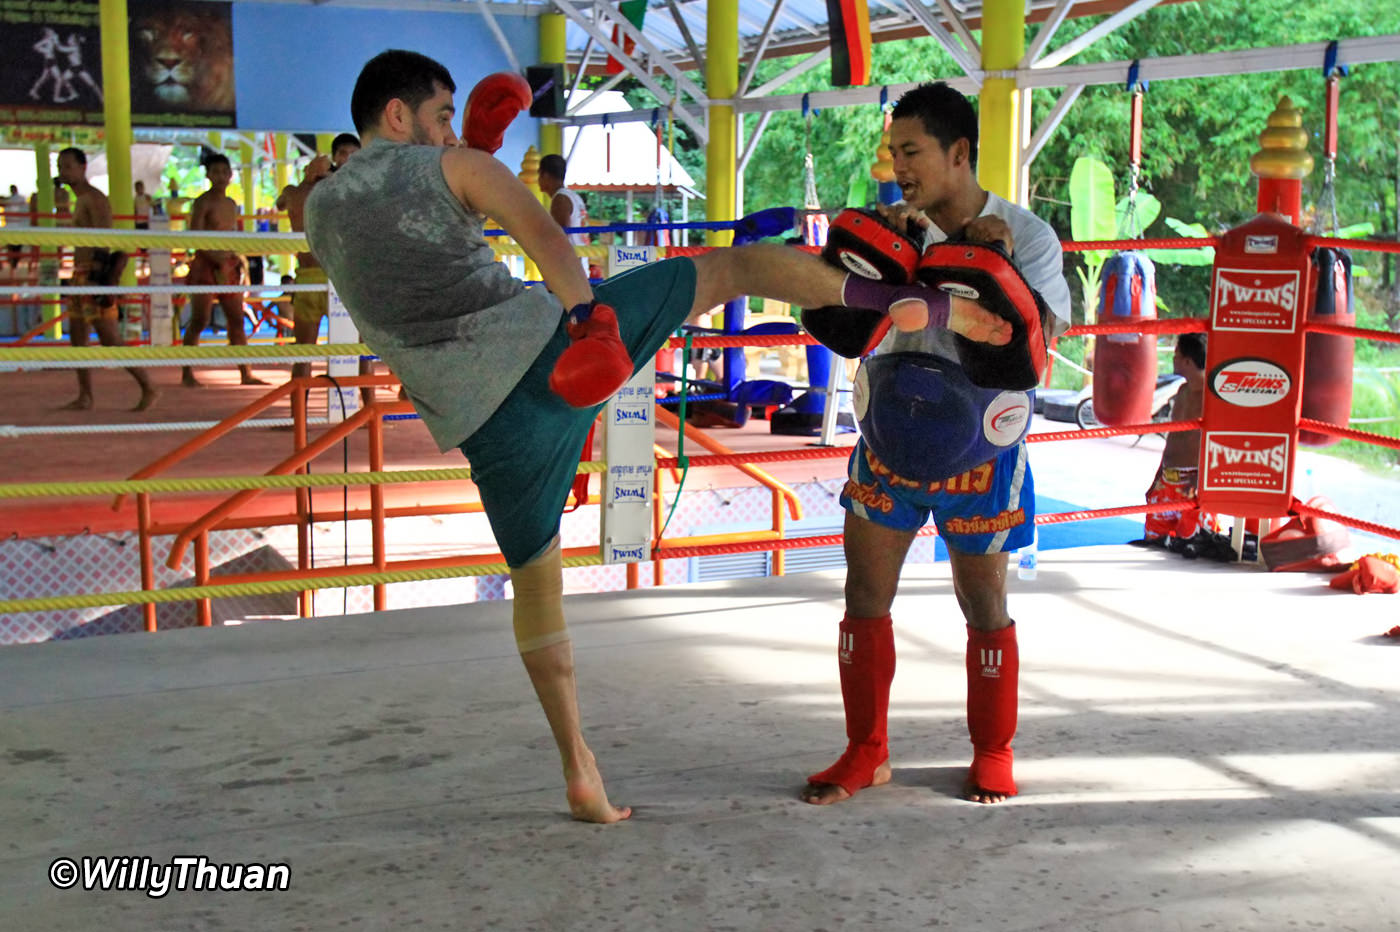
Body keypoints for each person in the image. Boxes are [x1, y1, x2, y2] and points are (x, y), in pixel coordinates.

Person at [304, 51, 1012, 824]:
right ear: (400, 116)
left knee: (537, 590)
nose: (448, 131)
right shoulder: (457, 165)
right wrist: (588, 317)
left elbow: (406, 278)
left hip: (483, 428)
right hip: (550, 356)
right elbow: (542, 231)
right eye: (440, 116)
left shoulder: (317, 209)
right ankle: (901, 299)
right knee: (728, 270)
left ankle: (581, 771)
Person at [800, 82, 1072, 808]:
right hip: (888, 435)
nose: (898, 165)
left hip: (982, 447)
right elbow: (831, 316)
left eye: (911, 151)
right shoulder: (897, 229)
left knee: (982, 600)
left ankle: (993, 751)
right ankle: (866, 752)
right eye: (893, 151)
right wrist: (859, 263)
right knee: (863, 592)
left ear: (958, 153)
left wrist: (1002, 268)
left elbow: (1046, 342)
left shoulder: (1028, 235)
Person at [54, 147, 158, 412]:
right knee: (78, 338)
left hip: (92, 274)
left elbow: (104, 237)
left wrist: (98, 278)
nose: (63, 171)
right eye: (60, 166)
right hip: (80, 274)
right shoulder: (80, 200)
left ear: (82, 167)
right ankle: (85, 395)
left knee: (109, 336)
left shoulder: (94, 198)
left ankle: (148, 385)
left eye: (68, 166)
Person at [276, 135, 360, 380]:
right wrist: (308, 179)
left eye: (353, 154)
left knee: (356, 351)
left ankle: (365, 412)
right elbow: (281, 202)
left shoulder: (352, 189)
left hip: (342, 277)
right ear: (334, 157)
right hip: (309, 278)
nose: (347, 159)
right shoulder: (298, 191)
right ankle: (298, 418)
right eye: (343, 153)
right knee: (304, 353)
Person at [181, 152, 264, 387]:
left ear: (230, 175)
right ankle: (187, 373)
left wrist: (233, 258)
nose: (220, 177)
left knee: (237, 320)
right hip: (205, 265)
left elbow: (231, 234)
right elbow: (195, 237)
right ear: (208, 175)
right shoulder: (202, 202)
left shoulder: (230, 204)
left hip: (227, 266)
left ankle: (246, 372)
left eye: (224, 172)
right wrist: (215, 257)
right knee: (199, 319)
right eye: (215, 172)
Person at [1143, 332, 1217, 543]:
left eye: (1176, 354)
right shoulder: (1182, 391)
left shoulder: (1212, 397)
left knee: (1197, 546)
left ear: (1186, 360)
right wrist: (1158, 476)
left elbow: (1220, 442)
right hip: (1168, 479)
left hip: (1193, 482)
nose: (1173, 358)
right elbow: (1173, 439)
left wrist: (1204, 476)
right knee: (1153, 543)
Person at [538, 153, 589, 247]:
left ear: (545, 175)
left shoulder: (560, 199)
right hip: (580, 257)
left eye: (539, 175)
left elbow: (561, 237)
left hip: (571, 258)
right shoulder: (574, 196)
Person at [5, 184, 29, 270]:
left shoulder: (15, 199)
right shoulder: (19, 199)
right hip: (18, 227)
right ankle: (13, 264)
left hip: (15, 227)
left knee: (14, 247)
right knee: (14, 247)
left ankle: (13, 264)